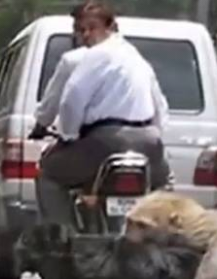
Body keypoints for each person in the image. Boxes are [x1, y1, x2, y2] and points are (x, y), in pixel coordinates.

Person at [35, 1, 171, 227]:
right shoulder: (136, 57)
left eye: (92, 27)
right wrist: (158, 139)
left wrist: (68, 135)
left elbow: (72, 98)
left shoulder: (94, 55)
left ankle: (62, 234)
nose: (86, 35)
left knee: (48, 173)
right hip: (149, 142)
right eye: (81, 30)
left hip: (105, 143)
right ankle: (161, 231)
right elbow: (160, 108)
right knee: (163, 182)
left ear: (111, 27)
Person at [29, 2, 103, 139]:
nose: (81, 35)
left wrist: (40, 126)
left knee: (51, 160)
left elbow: (50, 107)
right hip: (140, 137)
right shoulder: (132, 57)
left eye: (83, 29)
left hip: (92, 138)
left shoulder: (73, 60)